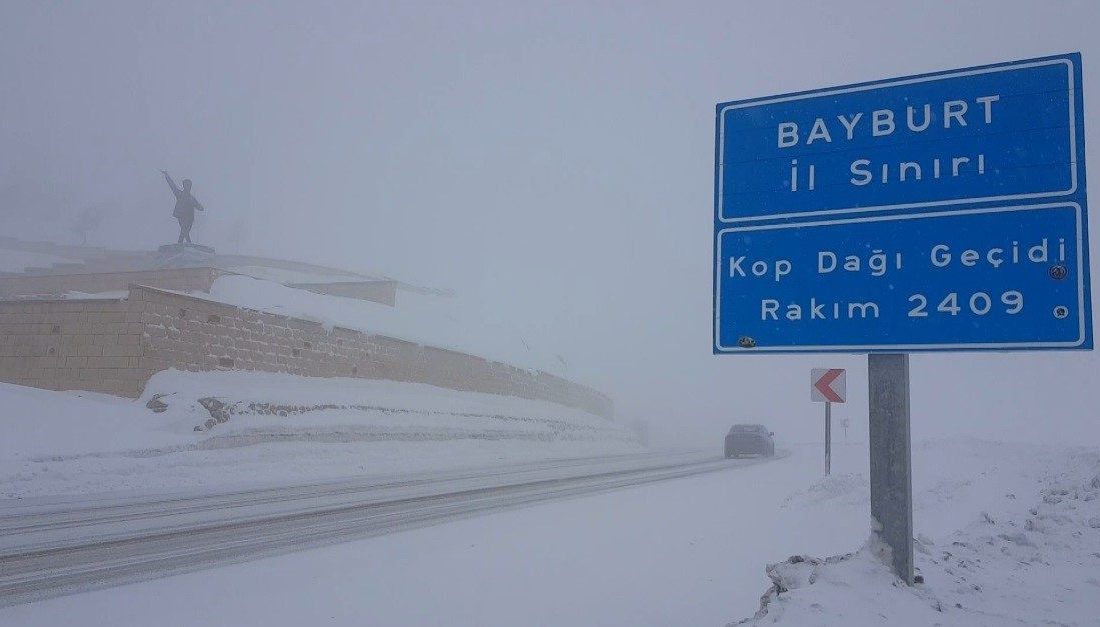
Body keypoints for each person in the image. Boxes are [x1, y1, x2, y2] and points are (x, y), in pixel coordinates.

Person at [160, 170, 205, 244]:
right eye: (187, 185)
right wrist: (166, 175)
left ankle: (185, 244)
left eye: (189, 185)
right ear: (184, 186)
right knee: (184, 231)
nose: (188, 187)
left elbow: (199, 207)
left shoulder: (192, 198)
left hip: (190, 218)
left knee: (185, 232)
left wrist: (201, 207)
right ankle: (184, 244)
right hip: (182, 217)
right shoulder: (179, 194)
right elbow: (172, 185)